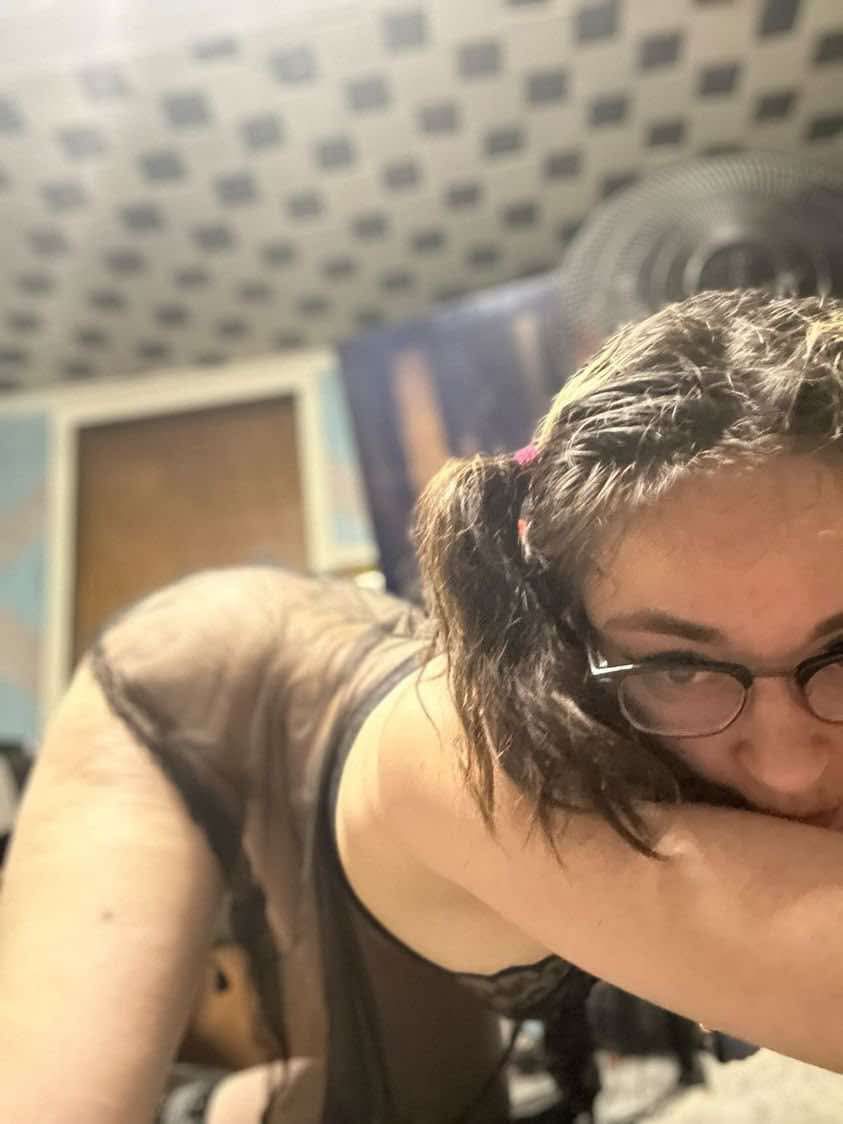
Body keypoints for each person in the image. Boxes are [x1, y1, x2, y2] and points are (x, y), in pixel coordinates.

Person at [2, 287, 843, 1124]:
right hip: (193, 684)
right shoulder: (478, 760)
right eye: (677, 667)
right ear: (564, 634)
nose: (786, 764)